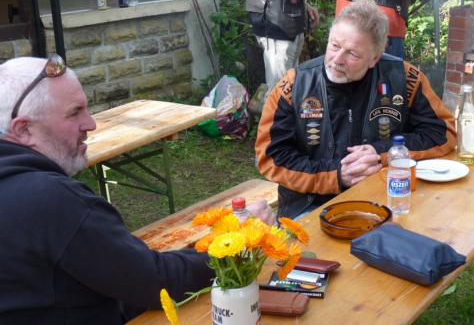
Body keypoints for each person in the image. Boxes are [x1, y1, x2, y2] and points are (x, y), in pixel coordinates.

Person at [0, 56, 275, 324]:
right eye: (74, 113)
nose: (91, 124)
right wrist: (235, 241)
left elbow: (117, 274)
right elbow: (155, 282)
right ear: (23, 130)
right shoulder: (53, 201)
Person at [255, 1, 456, 219]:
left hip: (388, 199)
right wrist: (337, 175)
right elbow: (271, 157)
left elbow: (443, 132)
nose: (337, 59)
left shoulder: (404, 78)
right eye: (334, 46)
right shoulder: (295, 84)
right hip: (311, 206)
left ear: (374, 58)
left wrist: (382, 153)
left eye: (353, 54)